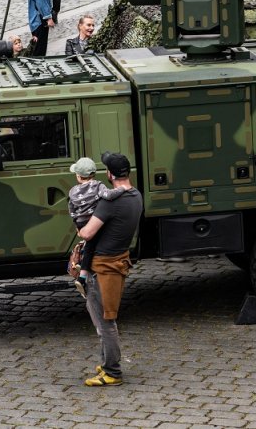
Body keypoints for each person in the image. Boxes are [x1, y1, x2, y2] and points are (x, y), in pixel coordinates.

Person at [77, 152, 143, 387]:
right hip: (118, 262)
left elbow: (87, 233)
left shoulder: (110, 202)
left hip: (103, 268)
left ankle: (112, 371)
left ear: (110, 174)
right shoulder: (136, 196)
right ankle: (106, 360)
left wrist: (79, 225)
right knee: (105, 316)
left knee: (106, 321)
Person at [67, 156, 114, 295]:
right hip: (94, 221)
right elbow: (108, 196)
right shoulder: (98, 185)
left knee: (88, 245)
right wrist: (122, 190)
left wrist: (77, 225)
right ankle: (82, 277)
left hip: (81, 223)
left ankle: (79, 264)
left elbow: (72, 210)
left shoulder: (73, 191)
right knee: (92, 247)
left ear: (78, 176)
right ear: (93, 174)